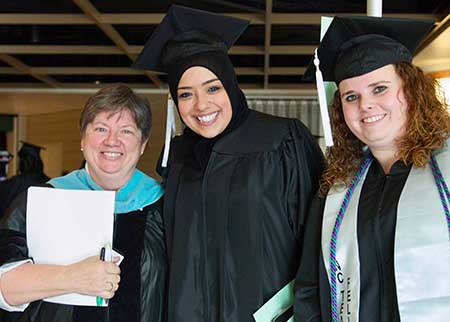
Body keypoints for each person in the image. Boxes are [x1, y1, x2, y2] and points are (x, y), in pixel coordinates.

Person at [134, 5, 324, 322]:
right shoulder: (177, 158)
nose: (201, 105)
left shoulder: (282, 141)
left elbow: (317, 241)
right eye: (185, 94)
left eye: (212, 87)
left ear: (231, 86)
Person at [294, 16, 450, 322]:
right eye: (351, 97)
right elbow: (310, 290)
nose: (365, 105)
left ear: (412, 90)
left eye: (379, 89)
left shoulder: (446, 170)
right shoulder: (335, 192)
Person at [0, 84, 166, 322]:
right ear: (83, 138)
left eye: (126, 131)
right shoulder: (44, 199)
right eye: (100, 128)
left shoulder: (164, 206)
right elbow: (3, 286)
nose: (112, 141)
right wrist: (71, 277)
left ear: (143, 145)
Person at [0, 142, 50, 219]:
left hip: (17, 225)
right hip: (39, 223)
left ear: (23, 162)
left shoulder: (17, 182)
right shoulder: (48, 181)